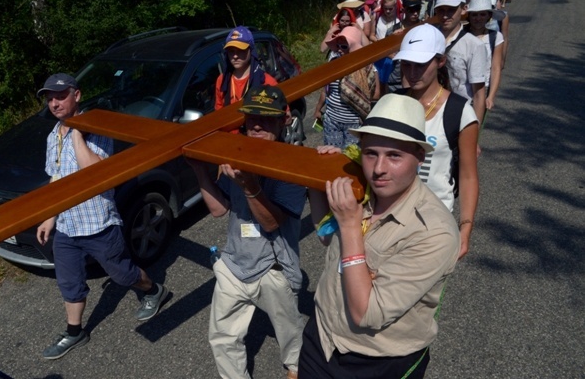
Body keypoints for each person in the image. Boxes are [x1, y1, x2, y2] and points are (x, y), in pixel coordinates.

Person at [300, 93, 460, 378]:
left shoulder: (434, 232)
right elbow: (325, 236)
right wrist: (319, 179)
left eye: (394, 155)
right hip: (321, 340)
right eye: (371, 153)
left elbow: (367, 314)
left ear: (420, 156)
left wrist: (350, 226)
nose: (379, 169)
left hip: (377, 361)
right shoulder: (361, 188)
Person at [35, 73, 169, 360]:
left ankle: (154, 290)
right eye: (49, 98)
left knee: (122, 274)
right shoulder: (51, 136)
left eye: (60, 96)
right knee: (69, 281)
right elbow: (56, 180)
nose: (54, 103)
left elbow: (100, 177)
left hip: (98, 223)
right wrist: (49, 217)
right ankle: (74, 332)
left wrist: (77, 134)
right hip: (67, 226)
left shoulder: (98, 128)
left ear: (77, 95)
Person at [188, 85, 306, 379]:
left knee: (290, 331)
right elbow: (219, 209)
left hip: (273, 267)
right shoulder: (237, 152)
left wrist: (250, 186)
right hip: (235, 262)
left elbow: (271, 224)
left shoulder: (293, 164)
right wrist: (199, 168)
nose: (257, 124)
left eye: (266, 119)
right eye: (252, 117)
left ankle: (296, 366)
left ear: (282, 120)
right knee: (223, 337)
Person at [393, 24, 479, 259]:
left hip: (433, 223)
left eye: (420, 64)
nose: (412, 72)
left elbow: (468, 176)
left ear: (440, 61)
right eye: (406, 64)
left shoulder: (460, 112)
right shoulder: (391, 103)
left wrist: (465, 228)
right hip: (388, 217)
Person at [314, 26, 377, 150]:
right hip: (332, 120)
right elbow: (326, 90)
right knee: (331, 156)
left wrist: (355, 90)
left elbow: (375, 94)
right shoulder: (333, 63)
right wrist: (317, 109)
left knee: (350, 158)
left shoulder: (366, 67)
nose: (340, 50)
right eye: (338, 46)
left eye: (344, 46)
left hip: (353, 123)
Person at [434, 0, 488, 125]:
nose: (445, 16)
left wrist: (474, 133)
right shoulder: (429, 38)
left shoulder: (474, 45)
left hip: (459, 114)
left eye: (451, 10)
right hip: (431, 111)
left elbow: (478, 93)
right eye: (441, 10)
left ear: (463, 9)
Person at [215, 26, 278, 111]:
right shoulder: (222, 80)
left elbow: (280, 114)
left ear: (251, 51)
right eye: (231, 51)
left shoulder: (267, 82)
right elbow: (219, 114)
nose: (235, 56)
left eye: (240, 50)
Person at [466, 0, 505, 111]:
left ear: (489, 16)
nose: (478, 18)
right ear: (469, 16)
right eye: (474, 14)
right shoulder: (460, 35)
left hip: (483, 87)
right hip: (460, 89)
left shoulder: (495, 37)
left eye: (482, 14)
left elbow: (495, 68)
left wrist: (491, 96)